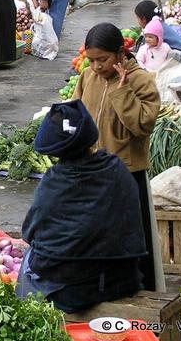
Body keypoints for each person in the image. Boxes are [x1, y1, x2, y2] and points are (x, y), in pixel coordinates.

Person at [17, 100, 146, 313]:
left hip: (72, 293)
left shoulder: (53, 182)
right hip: (121, 281)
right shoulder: (117, 170)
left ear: (55, 152)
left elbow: (30, 233)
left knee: (29, 261)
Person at [73, 23, 161, 291]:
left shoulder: (140, 81)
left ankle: (138, 292)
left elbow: (142, 125)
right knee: (95, 235)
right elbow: (77, 113)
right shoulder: (88, 77)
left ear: (121, 54)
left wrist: (122, 91)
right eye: (92, 60)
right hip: (91, 169)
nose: (97, 66)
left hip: (126, 172)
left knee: (129, 238)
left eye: (104, 59)